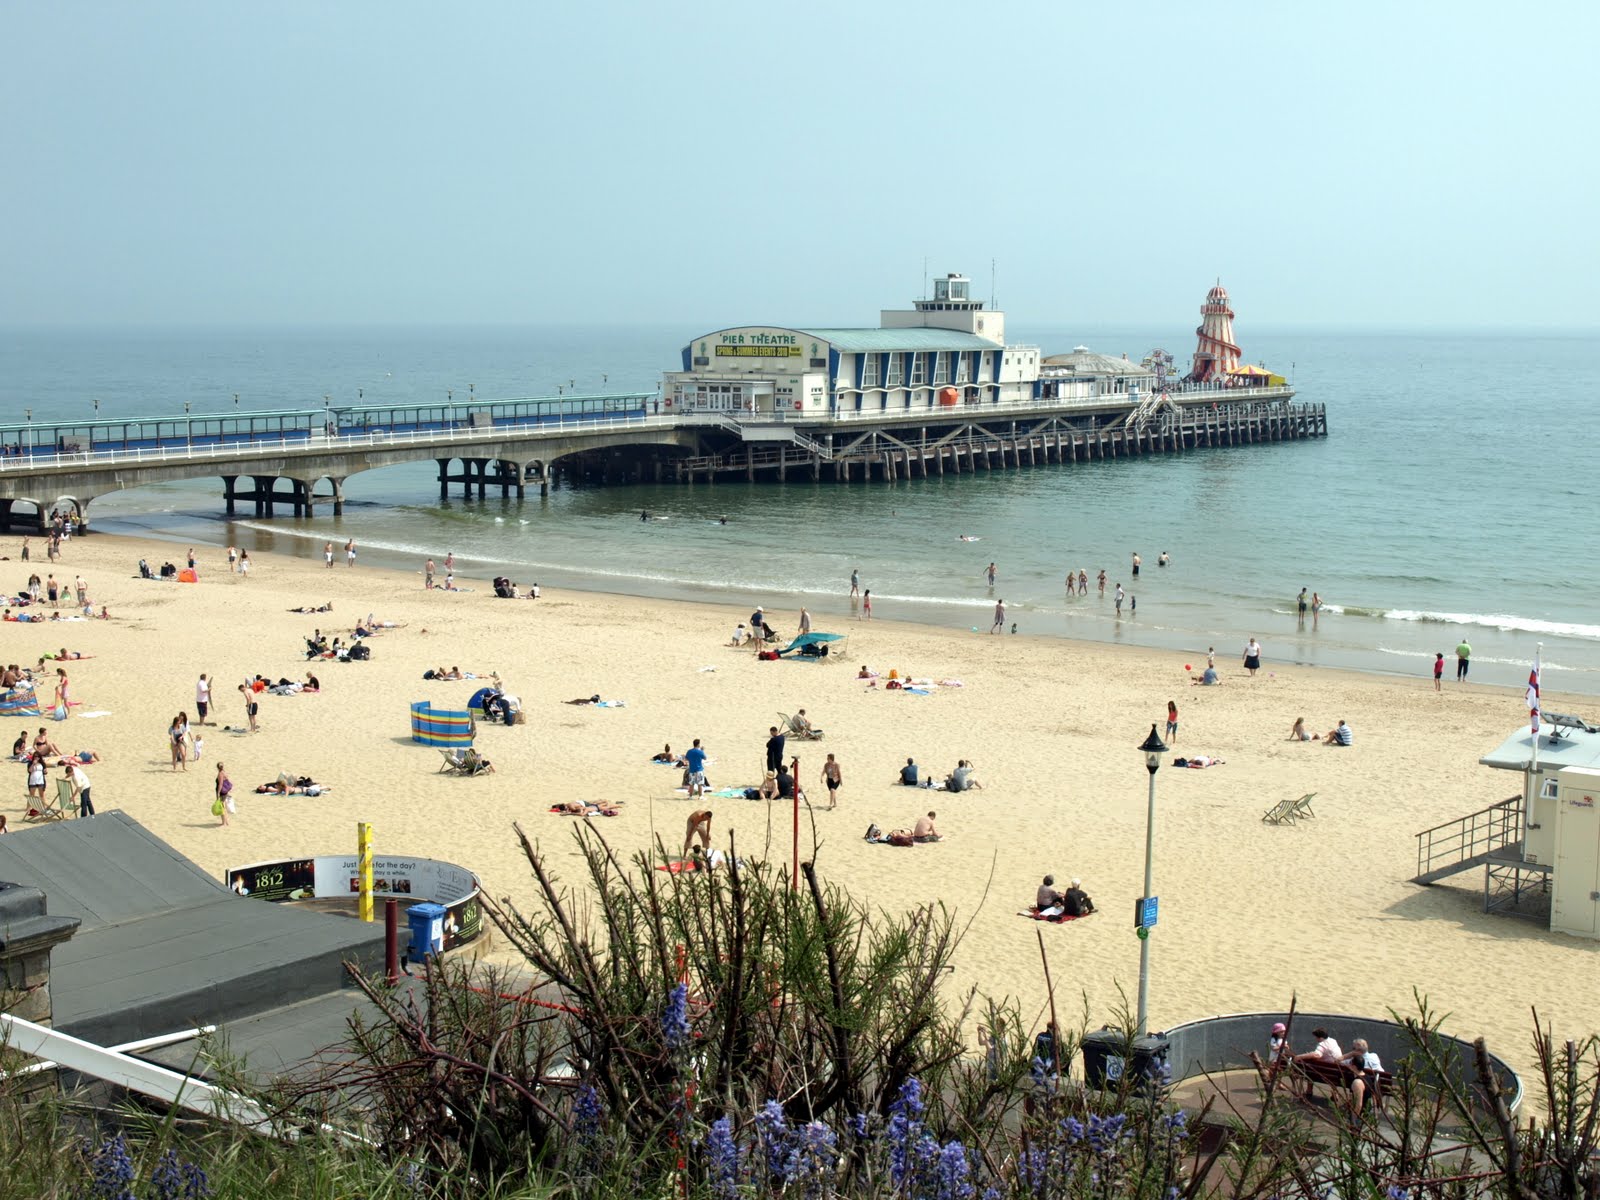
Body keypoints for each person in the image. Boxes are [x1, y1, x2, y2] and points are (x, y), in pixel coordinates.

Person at [1342, 1038, 1384, 1113]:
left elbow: (1337, 1061)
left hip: (1358, 1084)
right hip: (1376, 1085)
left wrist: (1350, 1054)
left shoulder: (1353, 1061)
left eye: (1353, 1048)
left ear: (1356, 1050)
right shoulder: (1375, 1056)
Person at [216, 762, 233, 827]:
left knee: (221, 807)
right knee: (224, 806)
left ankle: (223, 823)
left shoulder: (220, 774)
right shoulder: (224, 772)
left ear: (217, 767)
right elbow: (228, 781)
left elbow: (220, 784)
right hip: (225, 791)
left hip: (222, 792)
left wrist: (218, 792)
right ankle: (226, 822)